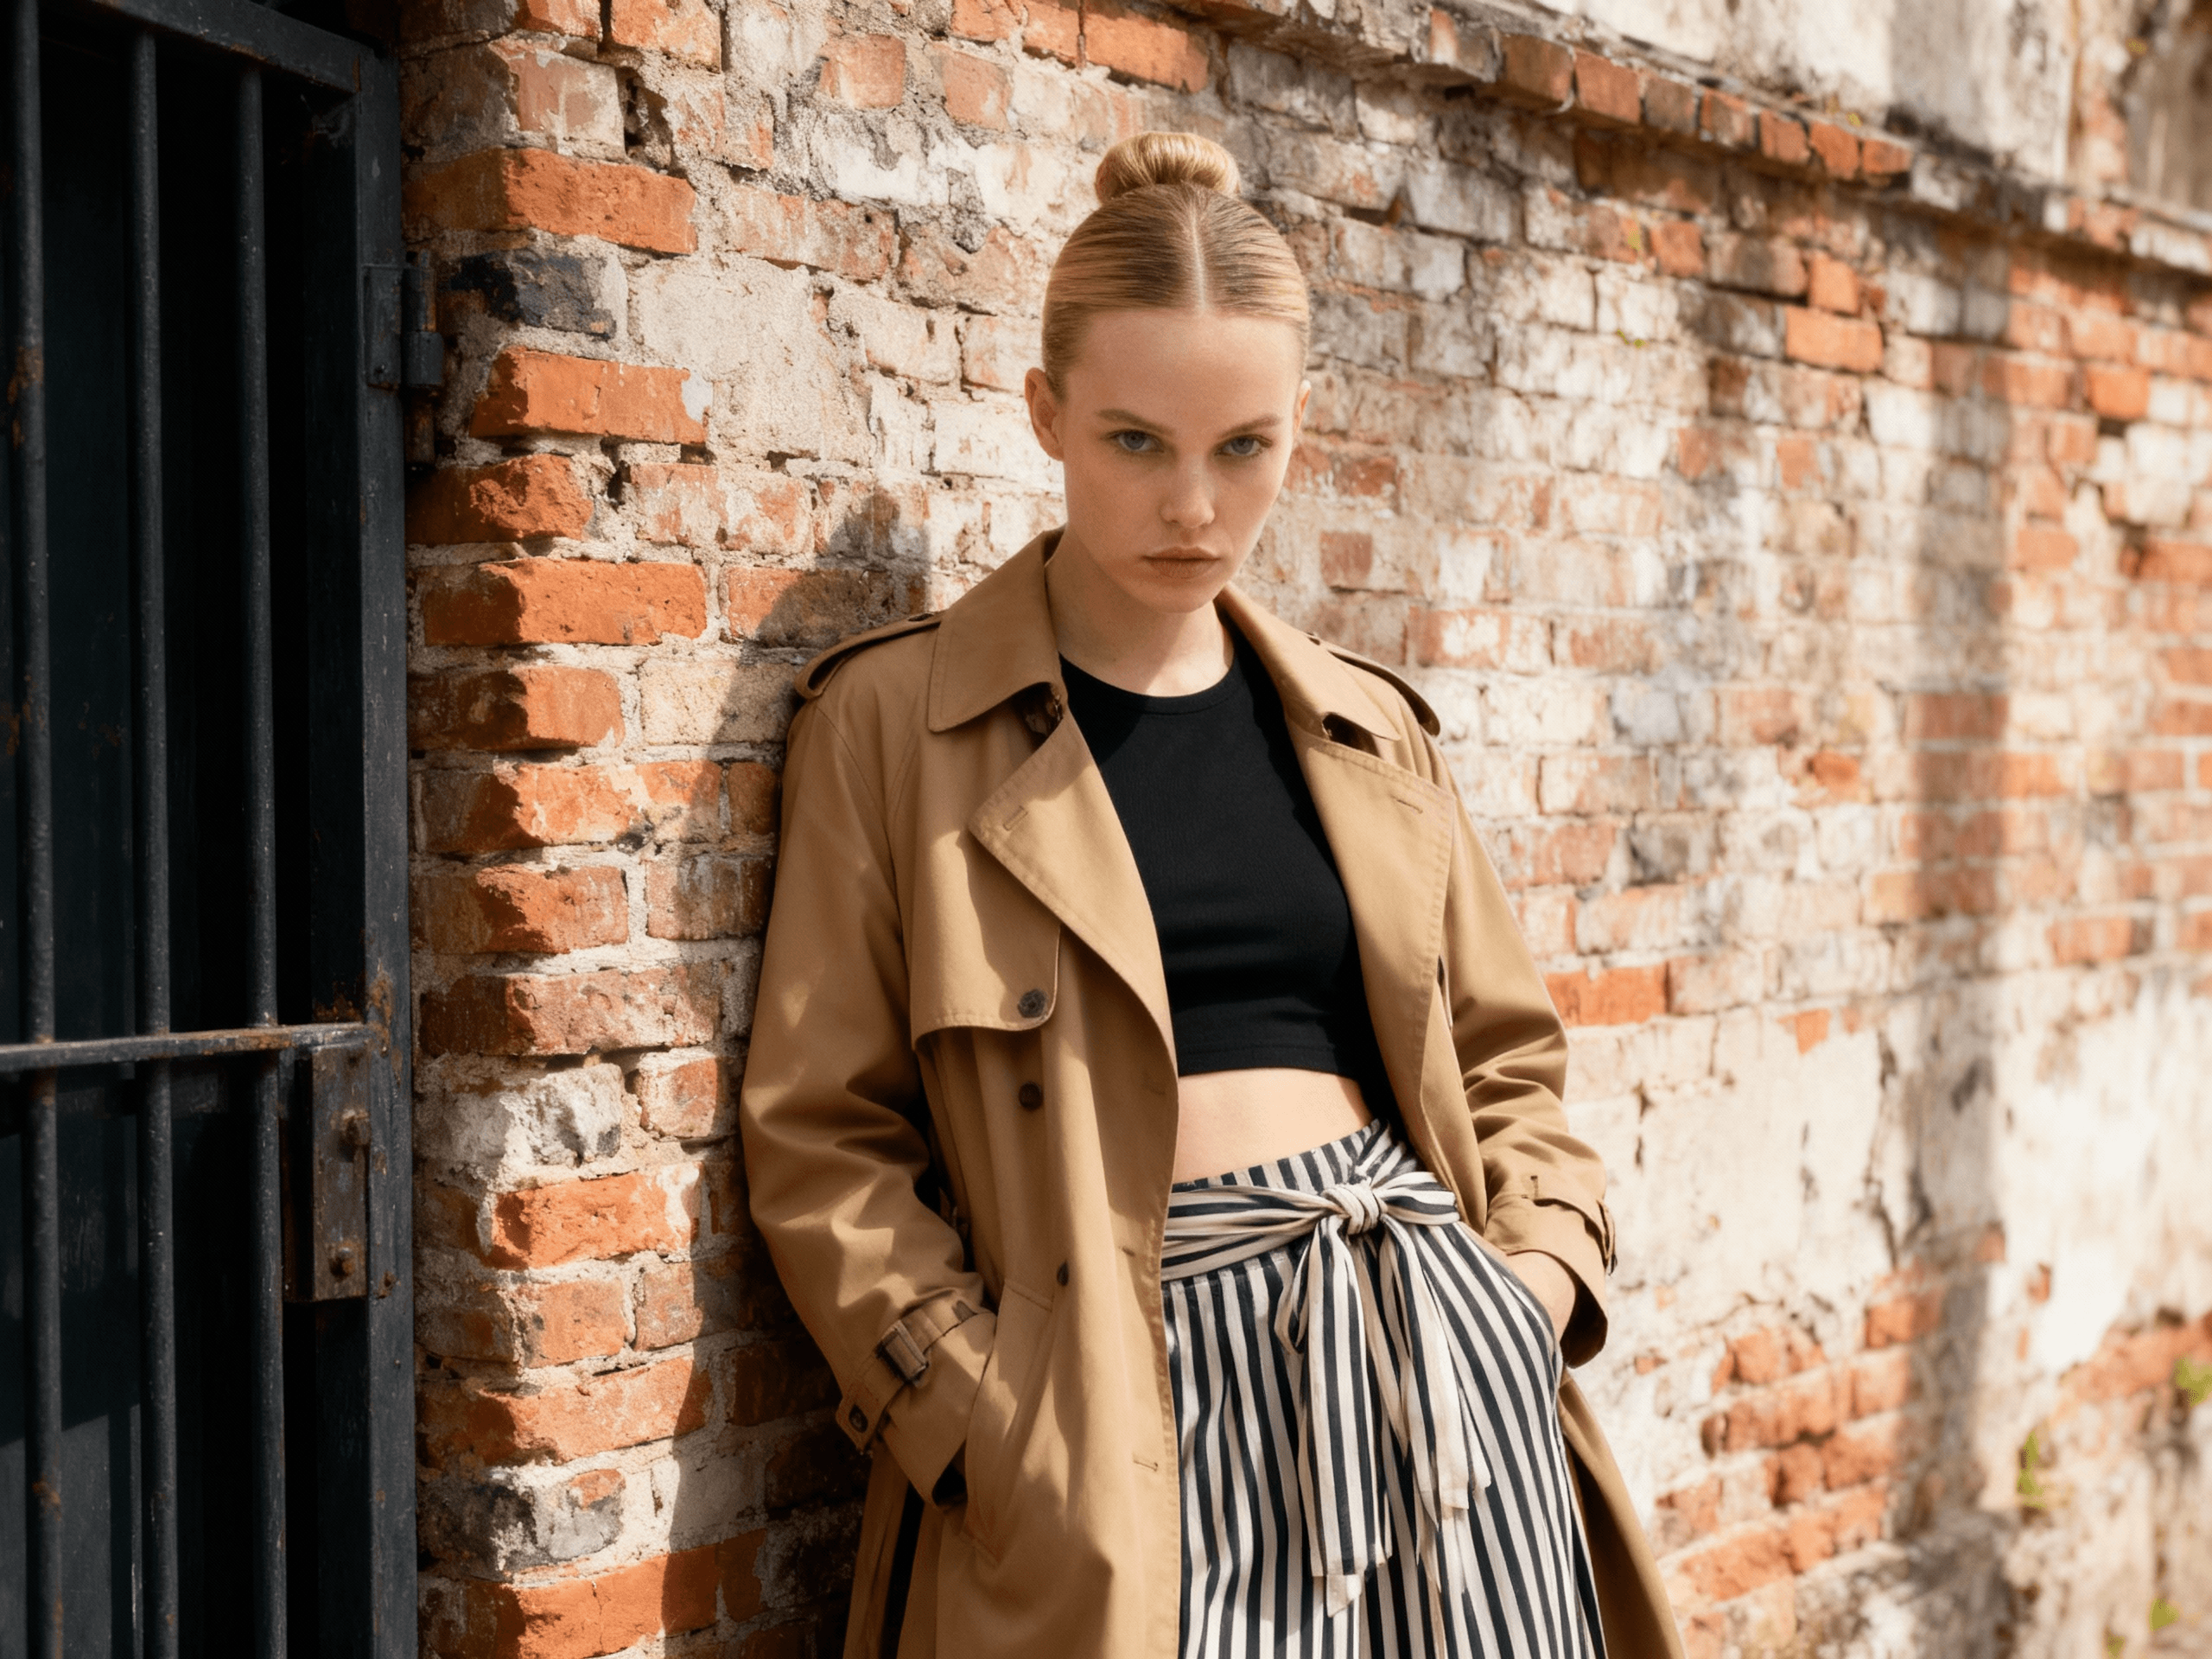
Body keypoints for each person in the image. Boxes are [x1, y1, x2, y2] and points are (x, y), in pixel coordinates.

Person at [739, 130, 1682, 1659]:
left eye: (1244, 447)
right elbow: (816, 1137)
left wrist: (1532, 1290)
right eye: (1135, 442)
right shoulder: (893, 728)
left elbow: (1510, 1064)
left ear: (1298, 430)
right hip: (1110, 1423)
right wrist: (985, 1428)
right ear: (1043, 412)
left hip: (1435, 1365)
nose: (1194, 503)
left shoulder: (1370, 731)